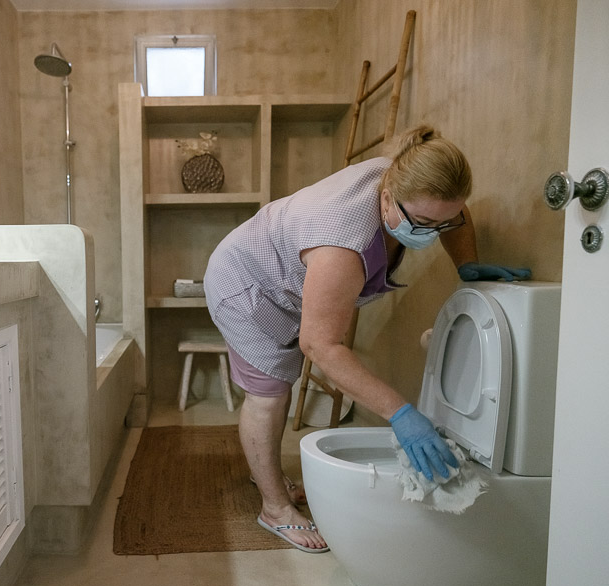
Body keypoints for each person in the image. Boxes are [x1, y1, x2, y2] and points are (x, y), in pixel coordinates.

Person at [203, 124, 530, 553]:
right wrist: (401, 413)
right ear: (386, 195)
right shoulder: (342, 241)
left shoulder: (409, 177)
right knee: (269, 393)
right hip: (244, 283)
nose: (434, 233)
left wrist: (466, 263)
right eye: (425, 223)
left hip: (279, 273)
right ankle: (274, 508)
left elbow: (452, 215)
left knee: (280, 385)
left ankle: (264, 471)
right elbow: (321, 346)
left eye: (443, 222)